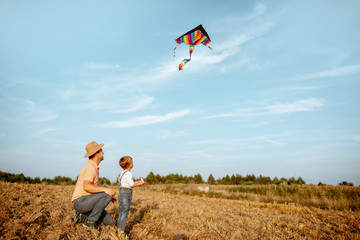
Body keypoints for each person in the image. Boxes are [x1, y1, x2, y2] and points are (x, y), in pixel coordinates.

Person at [71, 141, 116, 229]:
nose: (103, 152)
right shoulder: (91, 167)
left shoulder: (94, 167)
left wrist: (106, 196)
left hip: (86, 201)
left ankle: (82, 216)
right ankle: (89, 222)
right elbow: (86, 186)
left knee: (109, 222)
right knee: (106, 194)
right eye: (101, 150)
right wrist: (105, 191)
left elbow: (92, 190)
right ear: (97, 154)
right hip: (80, 202)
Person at [117, 156, 146, 233]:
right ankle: (121, 230)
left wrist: (140, 182)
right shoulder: (129, 174)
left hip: (121, 191)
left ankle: (119, 228)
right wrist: (139, 183)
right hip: (126, 193)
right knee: (125, 212)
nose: (133, 164)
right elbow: (131, 185)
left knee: (122, 212)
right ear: (129, 164)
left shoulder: (122, 173)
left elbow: (128, 183)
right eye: (132, 162)